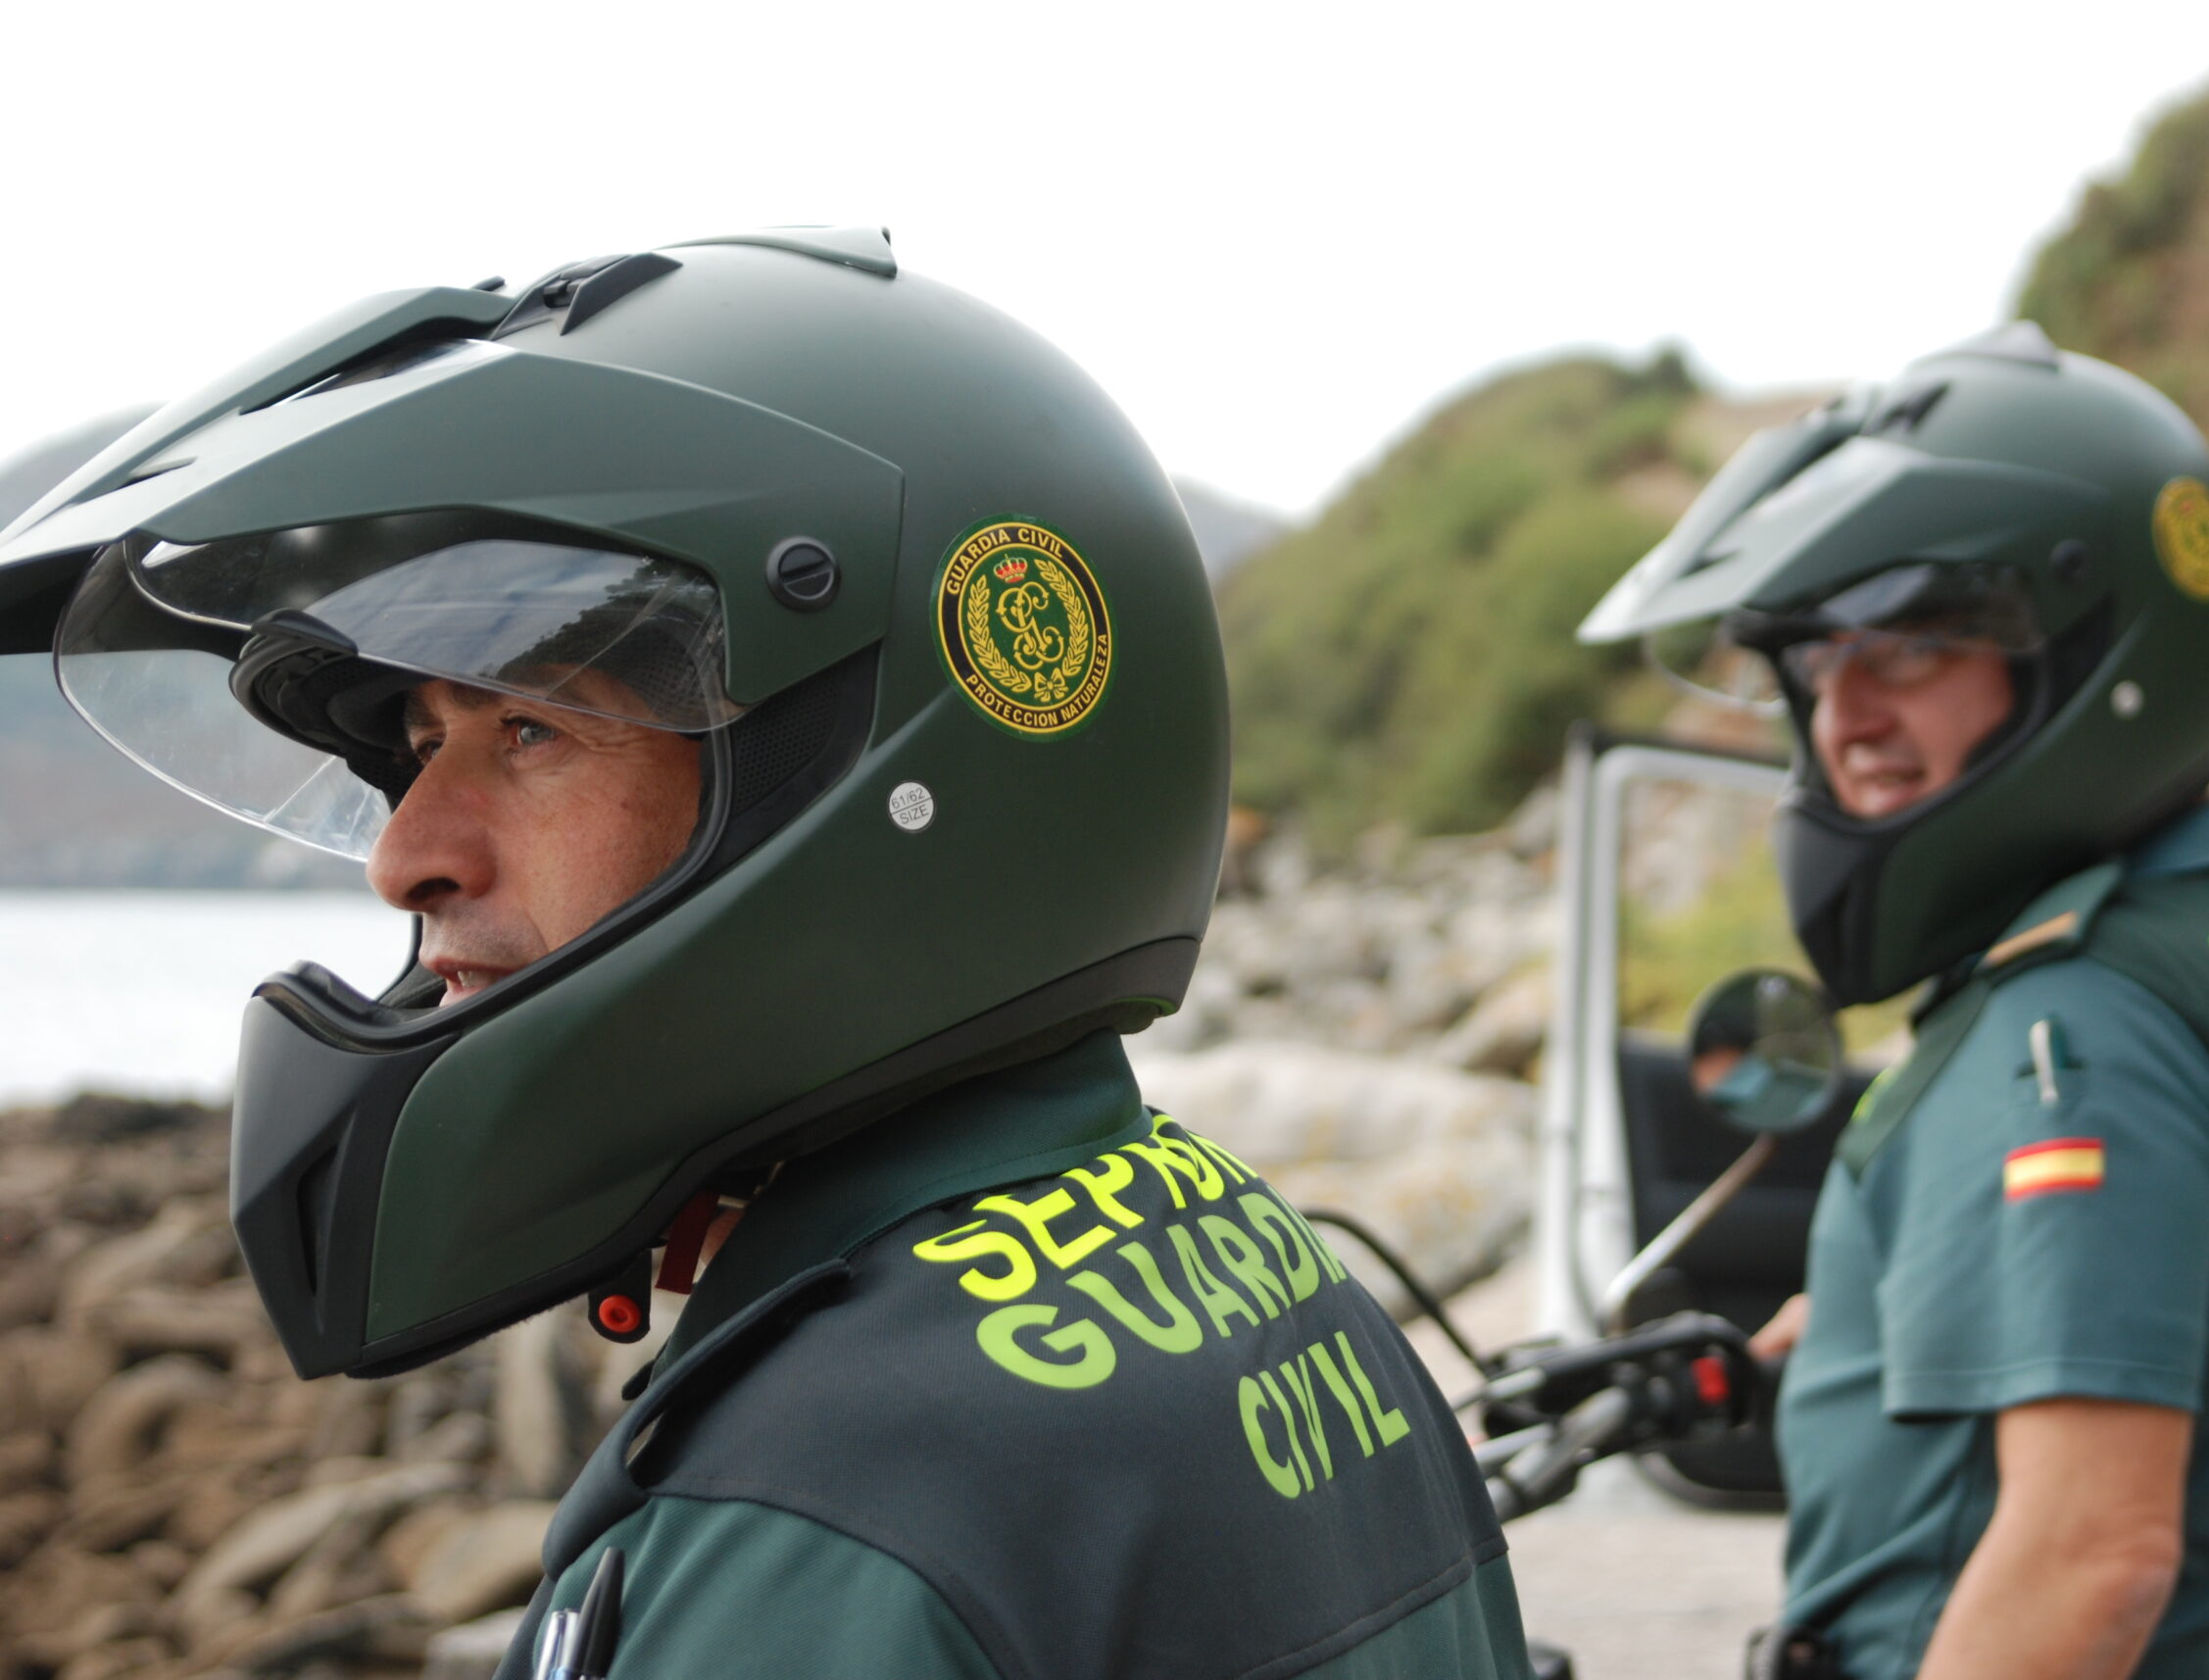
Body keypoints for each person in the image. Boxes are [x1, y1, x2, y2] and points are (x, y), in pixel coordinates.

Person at [0, 230, 1534, 1679]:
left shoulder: (825, 1509)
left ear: (851, 769)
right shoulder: (1245, 1255)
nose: (409, 851)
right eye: (417, 750)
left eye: (530, 726)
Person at [1580, 323, 2209, 1680]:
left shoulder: (2072, 1025)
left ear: (2090, 656)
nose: (1843, 714)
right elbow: (2166, 1292)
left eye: (1909, 644)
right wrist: (1839, 1331)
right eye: (1817, 659)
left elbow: (2094, 1556)